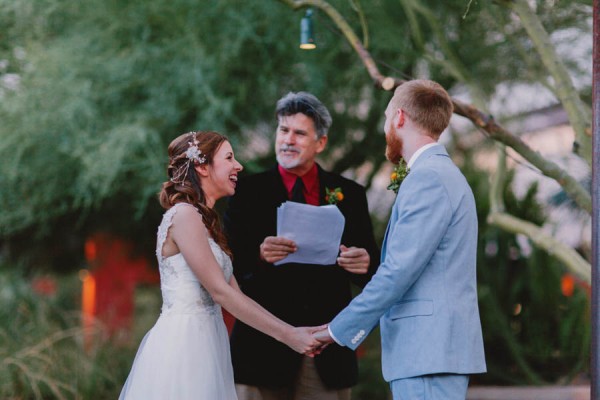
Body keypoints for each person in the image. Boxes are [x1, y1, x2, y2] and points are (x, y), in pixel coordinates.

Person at [314, 79, 487, 400]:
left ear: (400, 118)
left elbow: (398, 271)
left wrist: (336, 329)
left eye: (385, 117)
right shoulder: (437, 174)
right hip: (430, 351)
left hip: (428, 350)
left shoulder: (428, 178)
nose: (384, 127)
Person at [119, 131, 321, 400]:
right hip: (184, 348)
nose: (238, 166)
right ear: (202, 167)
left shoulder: (206, 223)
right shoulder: (184, 215)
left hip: (209, 344)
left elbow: (236, 296)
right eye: (229, 158)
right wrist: (288, 336)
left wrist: (293, 331)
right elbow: (220, 292)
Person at [224, 92, 380, 400]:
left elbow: (371, 268)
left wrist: (364, 263)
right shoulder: (245, 191)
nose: (288, 140)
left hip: (324, 346)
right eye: (283, 130)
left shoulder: (349, 193)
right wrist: (258, 255)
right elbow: (226, 263)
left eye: (299, 133)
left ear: (320, 143)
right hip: (262, 344)